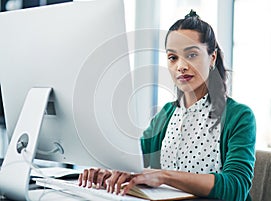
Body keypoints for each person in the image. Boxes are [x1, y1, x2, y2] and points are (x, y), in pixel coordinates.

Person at [78, 10, 256, 201]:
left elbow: (236, 188)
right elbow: (133, 162)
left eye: (192, 55)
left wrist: (163, 176)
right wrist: (111, 172)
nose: (181, 66)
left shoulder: (239, 116)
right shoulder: (166, 115)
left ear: (212, 58)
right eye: (173, 57)